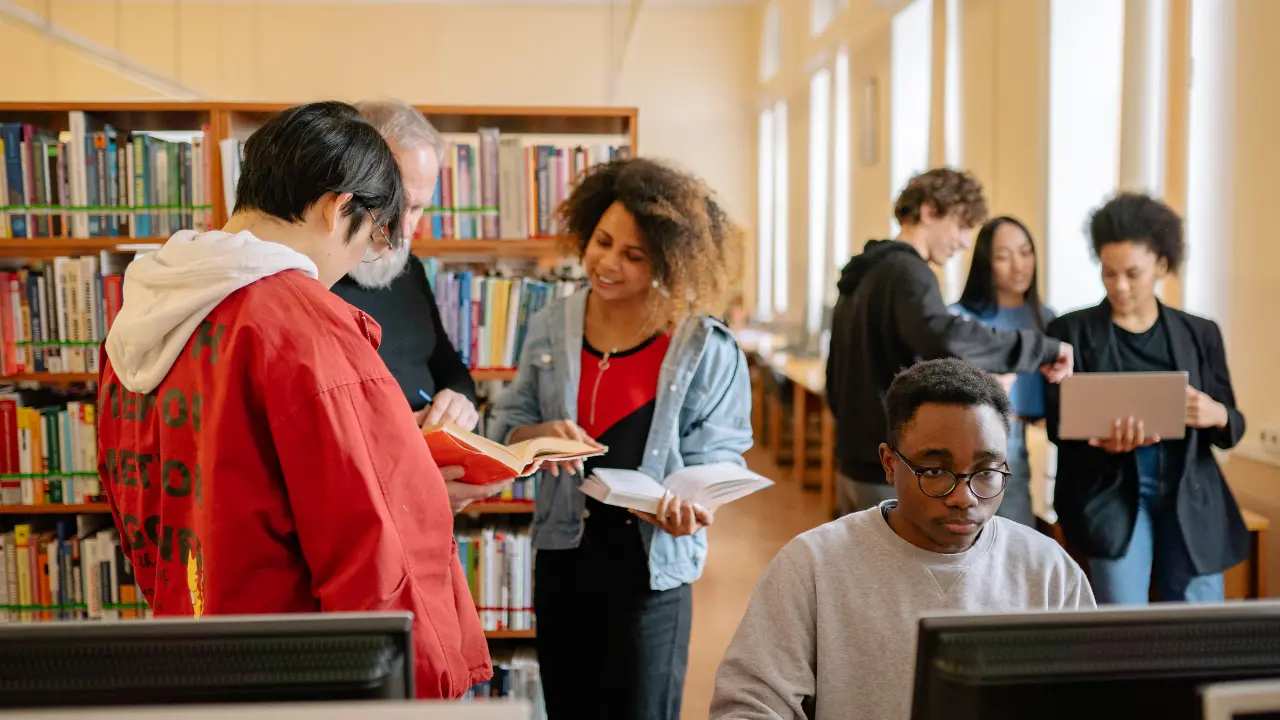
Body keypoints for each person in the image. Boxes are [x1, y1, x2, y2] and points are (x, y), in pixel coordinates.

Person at [97, 101, 491, 698]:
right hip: (301, 666)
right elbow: (374, 547)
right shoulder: (307, 327)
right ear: (338, 210)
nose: (361, 260)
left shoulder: (141, 310)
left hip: (192, 641)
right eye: (372, 237)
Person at [487, 157, 752, 719]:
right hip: (563, 560)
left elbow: (719, 456)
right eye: (602, 242)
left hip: (650, 575)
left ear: (667, 264)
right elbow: (503, 423)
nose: (607, 264)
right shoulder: (549, 325)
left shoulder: (703, 345)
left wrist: (695, 505)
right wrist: (533, 434)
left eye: (633, 256)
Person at [710, 358, 1095, 720]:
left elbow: (1093, 697)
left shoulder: (1048, 571)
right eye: (935, 471)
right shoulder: (812, 566)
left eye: (986, 471)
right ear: (890, 464)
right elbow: (748, 705)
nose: (964, 497)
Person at [826, 167, 1074, 518]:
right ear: (929, 212)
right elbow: (947, 335)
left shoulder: (863, 274)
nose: (962, 241)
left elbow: (837, 377)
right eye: (960, 226)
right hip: (888, 469)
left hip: (853, 460)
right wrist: (1042, 349)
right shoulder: (908, 272)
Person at [1045, 192, 1247, 605]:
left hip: (1188, 491)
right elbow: (1055, 422)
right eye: (1108, 273)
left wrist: (1215, 413)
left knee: (1200, 622)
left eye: (1132, 274)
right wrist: (1099, 439)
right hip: (1110, 492)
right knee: (1121, 617)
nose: (1119, 286)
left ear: (1161, 265)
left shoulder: (1200, 332)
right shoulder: (1071, 330)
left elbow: (1233, 426)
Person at [331, 98, 504, 513]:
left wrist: (459, 400)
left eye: (419, 207)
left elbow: (447, 363)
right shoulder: (310, 284)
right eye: (395, 203)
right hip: (366, 501)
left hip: (426, 492)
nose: (405, 230)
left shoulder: (408, 270)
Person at [950, 216, 1054, 527]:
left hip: (1030, 438)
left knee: (1018, 537)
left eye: (1025, 252)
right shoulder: (960, 320)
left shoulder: (1047, 319)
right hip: (974, 439)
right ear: (985, 263)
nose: (1018, 265)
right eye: (1003, 257)